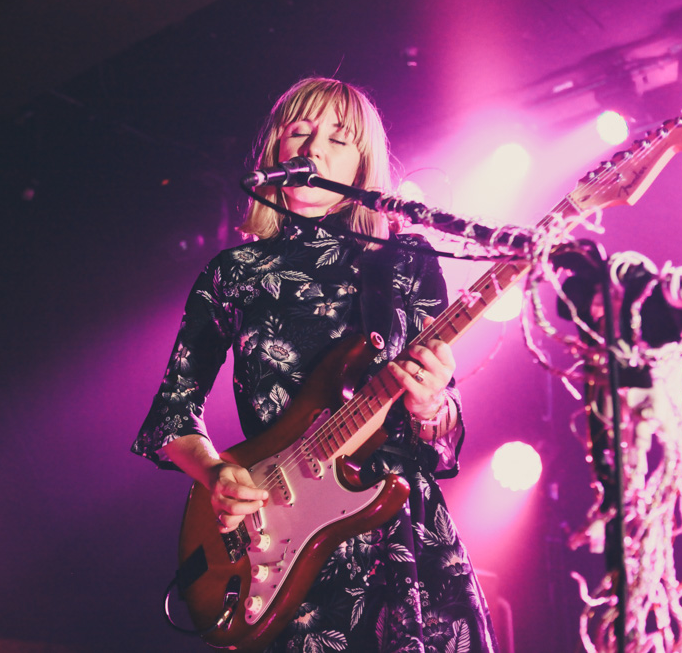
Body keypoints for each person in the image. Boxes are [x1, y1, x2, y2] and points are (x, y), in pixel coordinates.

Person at [132, 77, 499, 652]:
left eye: (338, 139)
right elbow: (171, 415)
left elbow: (442, 431)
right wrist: (215, 473)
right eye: (299, 132)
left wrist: (430, 403)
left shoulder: (405, 262)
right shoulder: (234, 273)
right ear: (275, 151)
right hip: (279, 541)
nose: (314, 149)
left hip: (398, 534)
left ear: (361, 167)